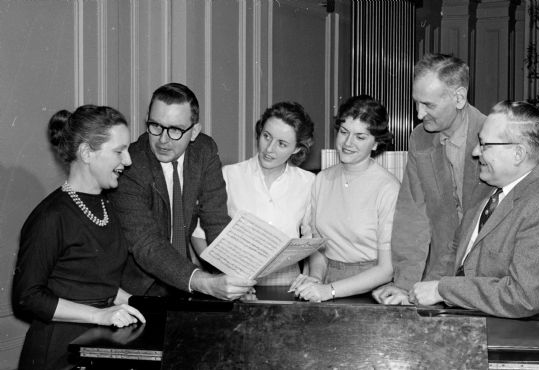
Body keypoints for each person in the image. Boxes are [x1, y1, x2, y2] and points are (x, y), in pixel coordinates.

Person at [409, 100, 539, 318]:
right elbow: (456, 251)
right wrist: (420, 291)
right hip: (462, 319)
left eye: (485, 144)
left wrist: (442, 290)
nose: (476, 152)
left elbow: (524, 297)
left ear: (518, 154)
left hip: (512, 336)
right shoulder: (487, 187)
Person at [12, 105, 145, 370]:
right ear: (86, 153)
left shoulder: (106, 205)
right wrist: (99, 315)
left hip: (96, 343)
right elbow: (27, 297)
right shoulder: (52, 216)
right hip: (57, 351)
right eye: (119, 151)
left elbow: (92, 281)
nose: (128, 161)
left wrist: (138, 305)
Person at [109, 82, 255, 300]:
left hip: (185, 278)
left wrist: (235, 275)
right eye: (155, 126)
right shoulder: (130, 165)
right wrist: (204, 282)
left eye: (175, 130)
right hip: (138, 288)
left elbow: (215, 220)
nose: (163, 140)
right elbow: (147, 244)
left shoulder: (204, 151)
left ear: (194, 131)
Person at [373, 53, 492, 305]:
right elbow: (412, 214)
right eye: (416, 102)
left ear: (459, 97)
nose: (418, 113)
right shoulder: (420, 138)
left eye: (428, 105)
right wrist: (405, 285)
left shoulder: (493, 136)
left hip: (486, 281)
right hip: (438, 274)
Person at [290, 95, 400, 302]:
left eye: (360, 137)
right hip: (326, 280)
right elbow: (319, 247)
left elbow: (386, 269)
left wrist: (329, 290)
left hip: (371, 289)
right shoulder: (322, 179)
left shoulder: (389, 188)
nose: (348, 143)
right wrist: (314, 278)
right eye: (344, 132)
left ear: (376, 143)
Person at [222, 102, 315, 286]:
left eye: (282, 144)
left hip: (288, 287)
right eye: (266, 136)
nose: (269, 149)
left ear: (297, 148)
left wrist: (310, 279)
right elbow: (200, 234)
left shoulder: (308, 182)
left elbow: (312, 240)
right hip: (237, 286)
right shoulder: (230, 175)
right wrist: (225, 278)